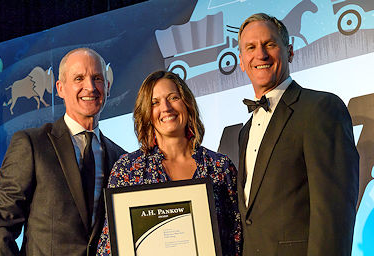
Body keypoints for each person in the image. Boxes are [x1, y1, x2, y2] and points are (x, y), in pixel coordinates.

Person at [219, 13, 359, 255]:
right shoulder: (246, 131)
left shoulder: (320, 108)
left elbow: (334, 213)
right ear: (242, 61)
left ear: (290, 52)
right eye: (250, 47)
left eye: (270, 44)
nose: (260, 54)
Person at [0, 48, 126, 256]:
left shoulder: (120, 159)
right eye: (79, 78)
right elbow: (0, 226)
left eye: (97, 78)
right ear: (60, 88)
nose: (90, 87)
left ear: (107, 86)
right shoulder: (32, 144)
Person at [96, 71, 241, 256]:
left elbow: (237, 237)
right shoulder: (128, 169)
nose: (165, 108)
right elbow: (110, 246)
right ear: (146, 113)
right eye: (154, 102)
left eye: (173, 98)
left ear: (187, 104)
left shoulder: (220, 167)